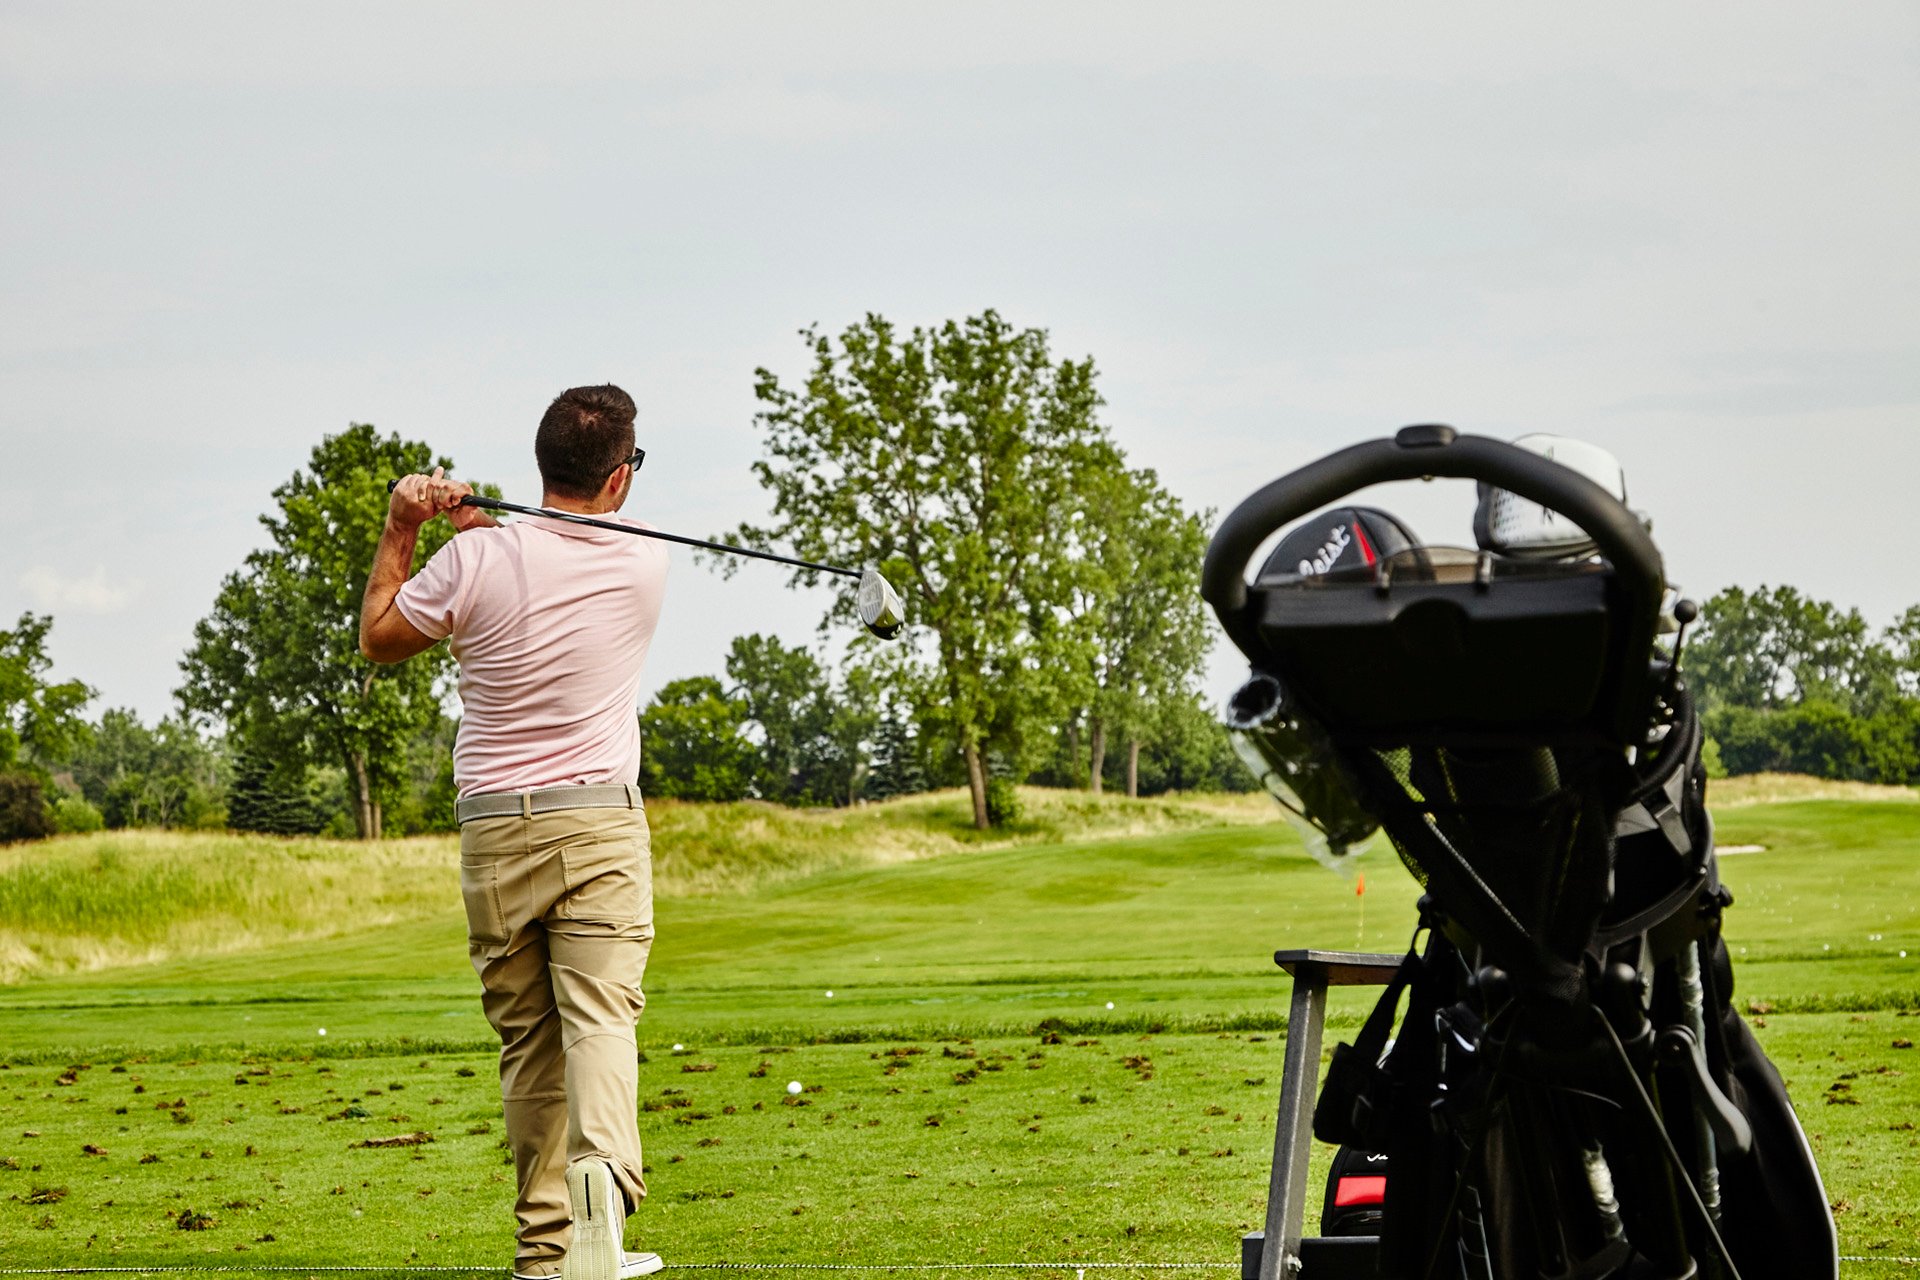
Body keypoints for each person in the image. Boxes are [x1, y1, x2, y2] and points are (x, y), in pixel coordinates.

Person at [359, 384, 669, 1280]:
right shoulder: (644, 558)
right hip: (599, 828)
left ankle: (547, 1252)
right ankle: (601, 1204)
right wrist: (480, 531)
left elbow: (382, 636)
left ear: (542, 466)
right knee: (601, 1018)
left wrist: (404, 524)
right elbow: (535, 568)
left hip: (493, 832)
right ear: (618, 478)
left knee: (529, 1040)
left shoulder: (477, 564)